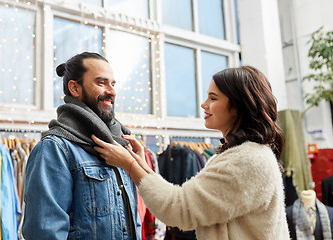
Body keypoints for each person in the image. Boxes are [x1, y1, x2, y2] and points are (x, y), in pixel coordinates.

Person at [91, 66, 290, 239]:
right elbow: (186, 201)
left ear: (239, 106)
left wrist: (130, 165)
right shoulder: (239, 155)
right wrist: (142, 165)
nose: (204, 105)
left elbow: (179, 209)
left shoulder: (248, 160)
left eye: (213, 98)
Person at [22, 52, 141, 240]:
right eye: (101, 83)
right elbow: (44, 234)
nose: (112, 91)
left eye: (113, 84)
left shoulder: (121, 147)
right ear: (75, 88)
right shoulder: (55, 149)